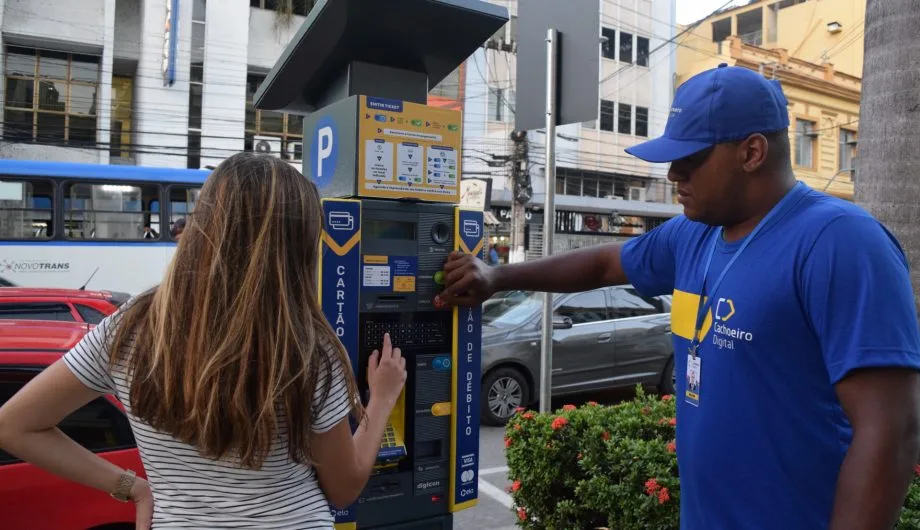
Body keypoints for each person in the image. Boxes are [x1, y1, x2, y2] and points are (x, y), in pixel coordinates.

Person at [435, 65, 920, 529]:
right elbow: (605, 263)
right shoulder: (694, 236)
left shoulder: (841, 243)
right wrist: (498, 277)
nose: (672, 176)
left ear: (751, 153)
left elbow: (891, 432)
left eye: (688, 160)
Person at [0, 153, 407, 529]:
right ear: (299, 247)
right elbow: (344, 488)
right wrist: (382, 398)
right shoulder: (307, 346)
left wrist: (132, 487)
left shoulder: (132, 327)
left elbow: (14, 425)